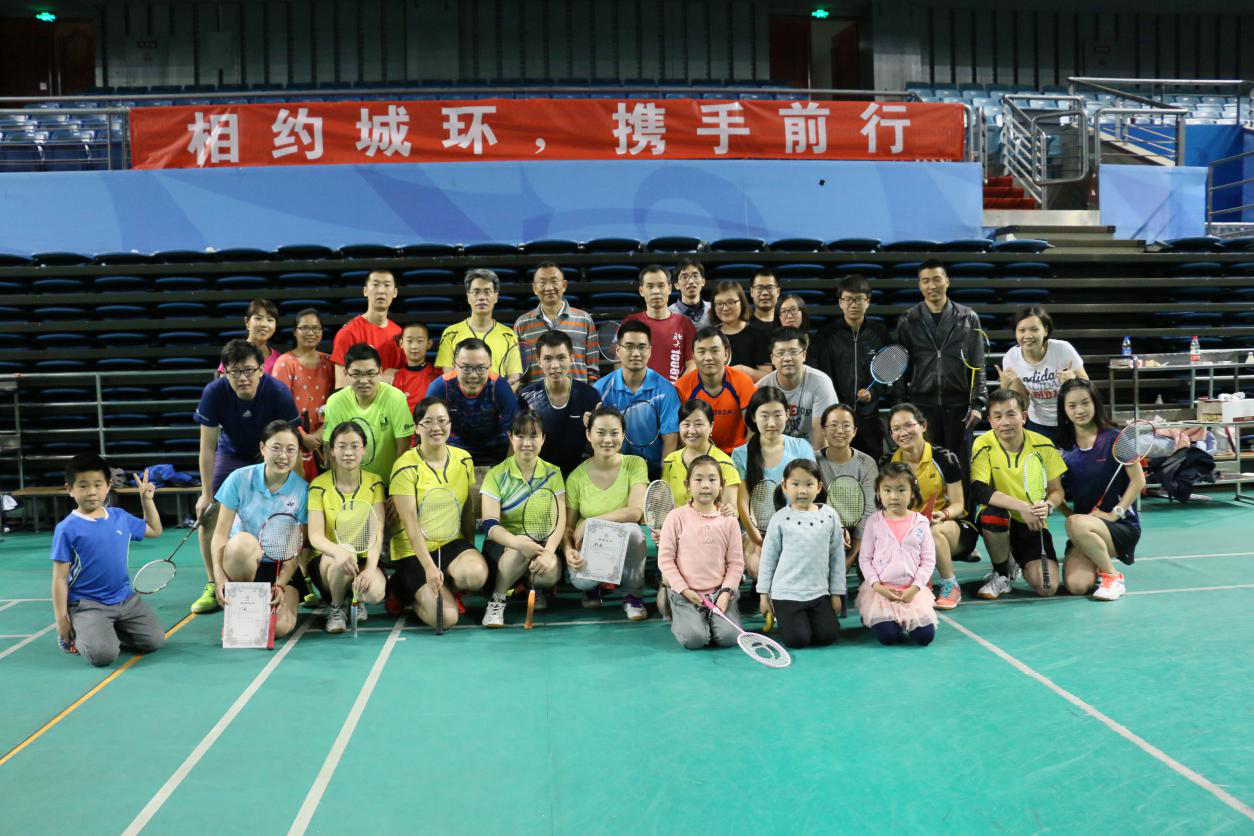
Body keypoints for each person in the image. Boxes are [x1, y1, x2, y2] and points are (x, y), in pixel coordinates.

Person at [190, 339, 299, 614]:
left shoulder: (278, 393)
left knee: (292, 514)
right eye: (235, 372)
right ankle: (214, 582)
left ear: (261, 369)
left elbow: (291, 442)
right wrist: (205, 494)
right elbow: (207, 447)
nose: (242, 378)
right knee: (209, 514)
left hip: (271, 453)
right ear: (224, 372)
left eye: (249, 370)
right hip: (233, 454)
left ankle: (300, 576)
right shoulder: (214, 393)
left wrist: (295, 488)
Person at [51, 456, 164, 667]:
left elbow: (154, 530)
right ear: (70, 489)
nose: (91, 492)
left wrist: (147, 501)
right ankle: (79, 633)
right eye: (83, 486)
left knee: (153, 641)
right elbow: (60, 579)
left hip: (125, 599)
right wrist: (61, 620)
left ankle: (107, 629)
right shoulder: (67, 528)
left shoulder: (119, 516)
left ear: (108, 486)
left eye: (97, 485)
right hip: (87, 604)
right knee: (102, 656)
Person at [388, 397, 488, 628]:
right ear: (417, 427)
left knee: (475, 575)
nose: (436, 427)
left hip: (450, 542)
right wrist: (429, 567)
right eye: (428, 422)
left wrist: (469, 545)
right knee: (447, 618)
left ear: (450, 424)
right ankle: (403, 590)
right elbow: (410, 524)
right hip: (413, 551)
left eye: (442, 421)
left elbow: (468, 510)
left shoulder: (463, 459)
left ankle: (447, 586)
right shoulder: (405, 466)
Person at [208, 421, 309, 639]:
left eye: (290, 449)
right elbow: (220, 534)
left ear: (298, 453)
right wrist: (218, 576)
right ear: (263, 448)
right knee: (242, 543)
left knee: (280, 628)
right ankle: (243, 607)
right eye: (276, 448)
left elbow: (295, 549)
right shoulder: (239, 479)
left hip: (280, 565)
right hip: (243, 561)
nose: (283, 455)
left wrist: (280, 584)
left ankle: (254, 611)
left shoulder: (302, 490)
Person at [970, 389, 1067, 600]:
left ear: (1023, 417)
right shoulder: (983, 443)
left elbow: (1057, 491)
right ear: (990, 421)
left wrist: (1048, 506)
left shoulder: (1043, 444)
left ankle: (1014, 557)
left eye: (1011, 414)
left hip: (1032, 522)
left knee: (1047, 588)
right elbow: (979, 490)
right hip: (1000, 518)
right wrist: (1022, 507)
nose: (1004, 422)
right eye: (998, 416)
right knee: (992, 513)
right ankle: (1001, 575)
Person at [895, 260, 987, 473]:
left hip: (959, 407)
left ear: (947, 281)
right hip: (921, 406)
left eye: (937, 279)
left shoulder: (968, 317)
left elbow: (978, 365)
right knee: (928, 468)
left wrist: (977, 404)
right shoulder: (908, 320)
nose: (932, 286)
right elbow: (900, 369)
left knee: (960, 468)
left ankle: (962, 498)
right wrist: (899, 407)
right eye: (925, 281)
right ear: (919, 285)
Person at [1056, 379, 1143, 601]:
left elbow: (1138, 480)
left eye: (1085, 403)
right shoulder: (1063, 447)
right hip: (1084, 526)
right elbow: (1055, 493)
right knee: (1076, 586)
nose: (1079, 410)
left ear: (1095, 403)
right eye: (1072, 405)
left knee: (1075, 523)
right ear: (1064, 410)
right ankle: (1094, 555)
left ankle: (1112, 577)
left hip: (1120, 526)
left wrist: (1115, 513)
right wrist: (1073, 518)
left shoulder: (1116, 438)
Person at [884, 403, 977, 610]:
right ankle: (919, 580)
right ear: (891, 434)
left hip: (950, 526)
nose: (903, 433)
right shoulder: (887, 462)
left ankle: (950, 585)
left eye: (909, 425)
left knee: (931, 531)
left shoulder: (944, 458)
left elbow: (959, 505)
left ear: (923, 426)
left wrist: (942, 514)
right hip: (907, 530)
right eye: (896, 429)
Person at [479, 413, 567, 627]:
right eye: (520, 436)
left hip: (541, 543)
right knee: (519, 549)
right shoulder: (496, 475)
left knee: (550, 572)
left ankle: (529, 584)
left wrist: (549, 552)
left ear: (543, 439)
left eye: (533, 436)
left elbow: (559, 520)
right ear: (511, 438)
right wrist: (517, 543)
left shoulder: (553, 473)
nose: (527, 443)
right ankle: (498, 599)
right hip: (504, 547)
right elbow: (490, 524)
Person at [562, 405, 649, 619]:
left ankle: (632, 596)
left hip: (623, 543)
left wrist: (590, 522)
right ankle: (594, 586)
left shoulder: (635, 464)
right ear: (589, 435)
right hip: (591, 546)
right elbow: (569, 528)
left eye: (614, 433)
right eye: (600, 433)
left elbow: (635, 512)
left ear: (623, 435)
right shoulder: (576, 477)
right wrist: (568, 551)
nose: (607, 440)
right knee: (582, 582)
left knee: (634, 532)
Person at [305, 421, 387, 633]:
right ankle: (336, 607)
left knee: (375, 593)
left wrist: (370, 569)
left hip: (362, 557)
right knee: (345, 554)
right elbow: (315, 535)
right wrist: (338, 551)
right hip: (328, 562)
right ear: (332, 450)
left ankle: (355, 599)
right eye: (342, 446)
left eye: (354, 446)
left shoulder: (375, 483)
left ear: (364, 449)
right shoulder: (318, 485)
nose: (348, 452)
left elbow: (377, 531)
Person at [657, 455, 745, 650]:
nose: (705, 485)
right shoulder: (675, 517)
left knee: (729, 638)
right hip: (685, 594)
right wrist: (684, 590)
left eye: (712, 479)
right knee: (695, 640)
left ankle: (712, 619)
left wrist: (725, 593)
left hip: (719, 594)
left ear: (721, 484)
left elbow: (736, 563)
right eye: (698, 479)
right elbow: (666, 560)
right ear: (687, 485)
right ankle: (677, 609)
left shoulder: (730, 521)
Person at [757, 459, 844, 650]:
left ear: (819, 487)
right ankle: (786, 618)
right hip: (786, 594)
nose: (802, 490)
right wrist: (763, 595)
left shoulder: (830, 515)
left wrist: (836, 594)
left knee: (828, 636)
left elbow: (837, 557)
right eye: (795, 484)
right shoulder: (779, 518)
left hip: (819, 593)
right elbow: (768, 559)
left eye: (809, 484)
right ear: (785, 486)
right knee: (798, 640)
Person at [733, 387, 817, 581]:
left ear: (787, 415)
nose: (771, 423)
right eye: (764, 415)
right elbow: (742, 503)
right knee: (759, 567)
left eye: (777, 415)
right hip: (758, 531)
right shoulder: (740, 454)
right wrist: (757, 538)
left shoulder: (801, 447)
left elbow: (811, 494)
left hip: (797, 526)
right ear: (753, 417)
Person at [856, 462, 939, 647]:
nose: (893, 496)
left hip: (912, 592)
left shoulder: (921, 523)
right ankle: (875, 617)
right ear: (878, 492)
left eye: (901, 490)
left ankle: (898, 620)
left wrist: (915, 588)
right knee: (888, 637)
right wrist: (877, 586)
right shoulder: (873, 521)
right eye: (887, 490)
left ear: (912, 492)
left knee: (925, 637)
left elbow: (928, 560)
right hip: (881, 593)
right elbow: (865, 559)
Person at [811, 275, 891, 459]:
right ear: (840, 303)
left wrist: (873, 392)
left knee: (871, 466)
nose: (853, 304)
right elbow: (822, 375)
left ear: (867, 302)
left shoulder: (879, 333)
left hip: (869, 417)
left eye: (859, 299)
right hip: (837, 417)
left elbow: (887, 370)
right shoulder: (827, 335)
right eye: (848, 299)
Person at [593, 320, 681, 479]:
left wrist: (664, 481)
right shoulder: (600, 389)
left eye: (641, 347)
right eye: (629, 346)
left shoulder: (666, 390)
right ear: (618, 350)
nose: (635, 353)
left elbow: (670, 441)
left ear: (650, 351)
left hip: (654, 471)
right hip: (615, 471)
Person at [321, 343, 415, 482]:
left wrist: (396, 484)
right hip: (352, 484)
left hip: (389, 482)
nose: (364, 380)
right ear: (346, 374)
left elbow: (404, 448)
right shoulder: (335, 402)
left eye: (370, 373)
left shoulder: (396, 398)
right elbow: (332, 450)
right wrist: (343, 485)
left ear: (380, 372)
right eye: (356, 374)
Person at [997, 306, 1088, 443]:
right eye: (1021, 330)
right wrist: (1005, 388)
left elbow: (1087, 385)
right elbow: (1023, 403)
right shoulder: (1011, 358)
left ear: (1045, 330)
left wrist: (1073, 381)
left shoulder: (1063, 349)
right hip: (1038, 424)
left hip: (1071, 420)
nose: (1028, 336)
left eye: (1034, 330)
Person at [516, 330, 600, 475]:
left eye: (561, 358)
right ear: (538, 361)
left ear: (572, 358)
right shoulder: (526, 397)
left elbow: (600, 442)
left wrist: (596, 427)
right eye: (548, 358)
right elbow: (519, 442)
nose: (555, 365)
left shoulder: (590, 395)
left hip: (582, 474)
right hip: (540, 475)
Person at [427, 337, 519, 468]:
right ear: (454, 365)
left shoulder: (499, 387)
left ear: (490, 366)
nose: (473, 375)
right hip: (452, 454)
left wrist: (506, 470)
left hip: (494, 455)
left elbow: (515, 433)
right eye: (466, 368)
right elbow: (426, 431)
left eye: (481, 368)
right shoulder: (440, 387)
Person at [271, 308, 335, 481]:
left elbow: (338, 401)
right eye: (304, 328)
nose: (311, 333)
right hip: (293, 441)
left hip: (326, 439)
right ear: (294, 331)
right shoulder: (285, 363)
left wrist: (321, 433)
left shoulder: (330, 362)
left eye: (316, 328)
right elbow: (279, 407)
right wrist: (303, 436)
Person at [435, 268, 524, 389]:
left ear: (496, 297)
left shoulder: (509, 335)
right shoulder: (450, 334)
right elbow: (449, 378)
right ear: (468, 297)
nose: (481, 297)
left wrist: (500, 397)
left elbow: (514, 379)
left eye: (487, 292)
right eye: (476, 292)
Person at [513, 262, 600, 386]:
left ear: (564, 285)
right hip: (536, 397)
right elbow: (519, 372)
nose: (549, 288)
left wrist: (589, 394)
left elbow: (592, 370)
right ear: (535, 288)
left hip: (578, 396)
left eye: (554, 281)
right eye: (542, 282)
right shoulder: (522, 324)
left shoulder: (584, 319)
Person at [674, 326, 757, 453]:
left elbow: (753, 429)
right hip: (697, 453)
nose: (708, 357)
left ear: (726, 354)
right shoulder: (681, 386)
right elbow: (681, 434)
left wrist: (741, 458)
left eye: (714, 351)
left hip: (736, 454)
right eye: (701, 352)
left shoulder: (743, 382)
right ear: (693, 356)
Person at [815, 404, 877, 566]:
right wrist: (836, 529)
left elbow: (869, 513)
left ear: (854, 431)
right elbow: (809, 507)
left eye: (846, 425)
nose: (840, 430)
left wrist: (850, 557)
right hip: (824, 529)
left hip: (858, 534)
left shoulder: (867, 464)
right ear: (823, 430)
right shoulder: (812, 462)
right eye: (833, 425)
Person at [755, 327, 839, 447]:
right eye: (780, 353)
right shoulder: (762, 387)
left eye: (793, 352)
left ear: (804, 355)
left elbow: (821, 435)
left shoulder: (821, 382)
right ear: (772, 358)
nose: (787, 358)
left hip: (811, 453)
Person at [660, 400, 741, 510]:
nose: (692, 431)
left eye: (698, 424)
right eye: (686, 424)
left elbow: (732, 510)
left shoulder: (725, 463)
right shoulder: (670, 461)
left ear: (711, 426)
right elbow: (663, 504)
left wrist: (729, 510)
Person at [623, 264, 696, 383]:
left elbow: (692, 365)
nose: (656, 291)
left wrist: (675, 388)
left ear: (670, 289)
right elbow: (620, 362)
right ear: (641, 291)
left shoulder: (685, 324)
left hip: (674, 392)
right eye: (650, 286)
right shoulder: (630, 322)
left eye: (661, 286)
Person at [331, 270, 404, 388]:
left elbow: (410, 373)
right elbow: (341, 387)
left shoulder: (400, 334)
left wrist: (394, 371)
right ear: (365, 291)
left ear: (395, 292)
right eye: (375, 284)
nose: (381, 290)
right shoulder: (348, 333)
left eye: (387, 285)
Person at [711, 280, 772, 382]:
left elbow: (768, 377)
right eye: (719, 303)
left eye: (730, 302)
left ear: (742, 303)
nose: (725, 308)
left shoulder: (759, 334)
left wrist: (743, 370)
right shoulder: (710, 335)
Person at [217, 298, 281, 376]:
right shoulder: (233, 353)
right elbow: (223, 382)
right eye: (258, 318)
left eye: (270, 320)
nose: (264, 324)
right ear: (247, 322)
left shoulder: (279, 359)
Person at [392, 321, 440, 412]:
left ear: (429, 344)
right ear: (401, 343)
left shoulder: (438, 374)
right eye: (409, 341)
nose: (414, 346)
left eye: (420, 341)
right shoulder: (396, 378)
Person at [669, 257, 712, 329]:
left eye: (695, 276)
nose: (691, 281)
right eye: (684, 277)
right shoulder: (668, 314)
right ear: (676, 285)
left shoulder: (714, 310)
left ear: (703, 281)